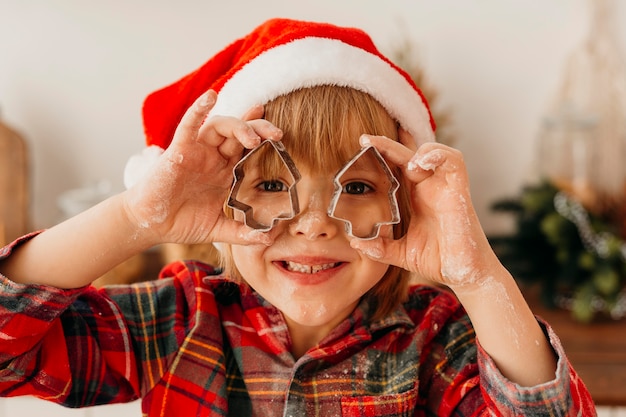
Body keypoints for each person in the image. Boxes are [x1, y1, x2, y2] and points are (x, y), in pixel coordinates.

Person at [0, 18, 595, 416]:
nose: (313, 224)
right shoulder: (181, 318)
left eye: (357, 184)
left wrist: (477, 276)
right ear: (215, 203)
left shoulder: (439, 342)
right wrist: (138, 217)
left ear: (404, 205)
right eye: (271, 184)